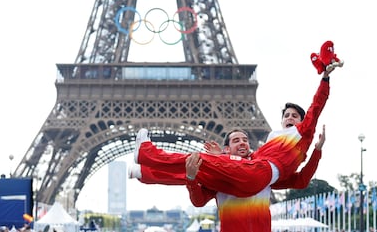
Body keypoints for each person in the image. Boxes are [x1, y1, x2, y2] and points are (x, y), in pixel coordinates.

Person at [131, 67, 333, 198]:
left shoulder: (302, 133)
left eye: (295, 116)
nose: (290, 118)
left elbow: (316, 106)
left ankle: (147, 154)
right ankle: (146, 173)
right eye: (287, 115)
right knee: (199, 172)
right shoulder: (272, 143)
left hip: (258, 173)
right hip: (251, 177)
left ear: (302, 121)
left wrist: (325, 77)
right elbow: (247, 161)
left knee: (199, 159)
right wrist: (223, 157)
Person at [184, 125, 325, 232]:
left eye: (245, 140)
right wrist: (191, 178)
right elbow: (199, 202)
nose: (242, 143)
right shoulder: (219, 177)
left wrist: (317, 151)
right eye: (236, 140)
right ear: (227, 149)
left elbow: (301, 180)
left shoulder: (265, 173)